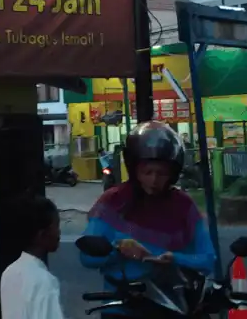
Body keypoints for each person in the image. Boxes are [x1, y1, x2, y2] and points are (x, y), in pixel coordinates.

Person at [78, 121, 216, 313]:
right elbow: (87, 257)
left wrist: (174, 258)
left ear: (173, 173)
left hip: (174, 305)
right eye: (147, 172)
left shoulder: (184, 206)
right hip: (123, 306)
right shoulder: (113, 203)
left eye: (161, 173)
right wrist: (118, 248)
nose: (153, 180)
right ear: (134, 170)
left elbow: (208, 259)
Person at [0, 194, 65, 319]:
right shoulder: (45, 281)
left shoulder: (10, 272)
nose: (59, 232)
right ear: (41, 234)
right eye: (56, 226)